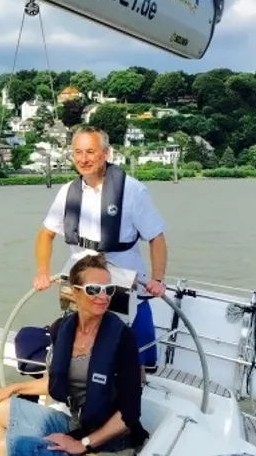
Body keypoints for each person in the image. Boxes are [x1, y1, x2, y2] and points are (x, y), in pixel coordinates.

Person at [0, 255, 148, 456]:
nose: (103, 296)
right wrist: (13, 388)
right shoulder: (62, 329)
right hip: (76, 426)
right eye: (94, 289)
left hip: (109, 442)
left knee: (2, 449)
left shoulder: (123, 338)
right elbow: (58, 382)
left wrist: (83, 444)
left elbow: (130, 413)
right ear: (75, 292)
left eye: (109, 289)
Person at [34, 126, 168, 374]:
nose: (83, 159)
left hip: (124, 280)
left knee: (134, 350)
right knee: (80, 341)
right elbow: (46, 234)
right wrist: (43, 271)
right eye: (78, 152)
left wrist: (157, 279)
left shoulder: (133, 191)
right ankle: (79, 384)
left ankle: (135, 387)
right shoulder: (67, 192)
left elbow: (156, 238)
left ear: (105, 154)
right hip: (81, 281)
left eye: (90, 152)